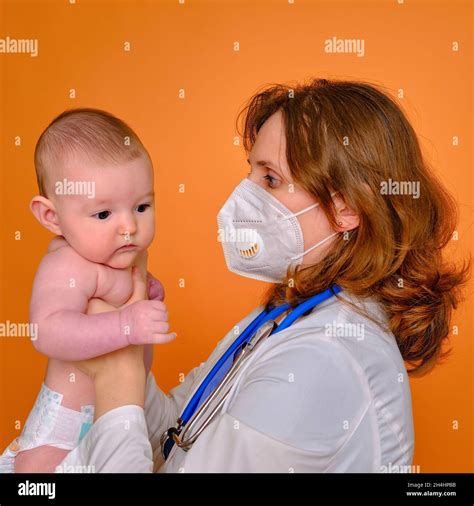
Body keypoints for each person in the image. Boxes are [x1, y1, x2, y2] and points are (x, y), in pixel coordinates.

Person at [58, 79, 468, 473]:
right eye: (251, 172)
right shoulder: (285, 319)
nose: (242, 195)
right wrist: (122, 345)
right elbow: (176, 436)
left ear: (346, 208)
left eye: (270, 178)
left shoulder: (324, 361)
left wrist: (117, 378)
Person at [0, 109, 175, 473]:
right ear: (52, 217)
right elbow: (46, 330)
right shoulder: (66, 266)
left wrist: (148, 292)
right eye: (103, 215)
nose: (128, 226)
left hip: (114, 420)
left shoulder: (119, 259)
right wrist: (125, 324)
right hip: (59, 434)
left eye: (142, 206)